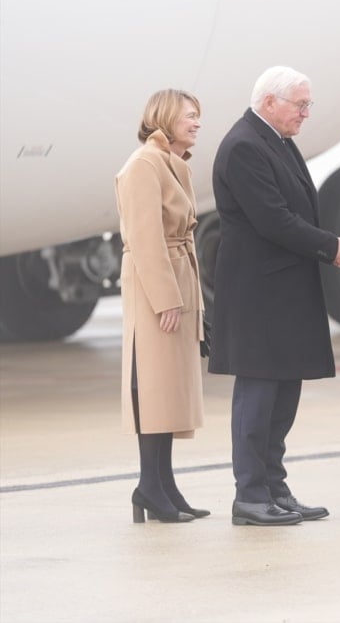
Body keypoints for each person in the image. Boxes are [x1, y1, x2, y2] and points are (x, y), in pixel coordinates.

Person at [209, 66, 340, 526]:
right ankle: (250, 496)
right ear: (270, 102)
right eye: (301, 104)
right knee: (258, 397)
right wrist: (331, 247)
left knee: (283, 395)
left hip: (283, 293)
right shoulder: (244, 146)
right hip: (259, 296)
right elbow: (273, 218)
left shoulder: (276, 140)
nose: (306, 113)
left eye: (308, 104)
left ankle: (274, 488)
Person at [115, 89, 207, 524]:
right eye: (190, 115)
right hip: (156, 286)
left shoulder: (173, 163)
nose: (197, 122)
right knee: (152, 387)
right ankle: (149, 486)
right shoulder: (143, 165)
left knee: (168, 389)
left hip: (177, 277)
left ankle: (162, 484)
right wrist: (166, 298)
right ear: (166, 118)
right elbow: (145, 237)